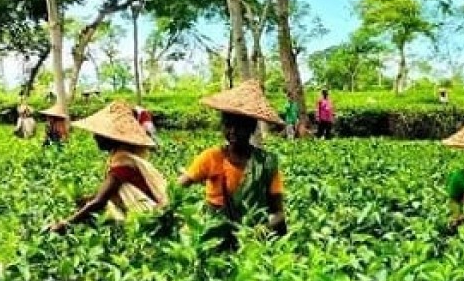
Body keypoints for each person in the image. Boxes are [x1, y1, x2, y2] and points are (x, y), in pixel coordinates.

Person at [179, 81, 286, 249]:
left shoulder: (266, 163)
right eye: (228, 125)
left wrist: (261, 231)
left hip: (253, 240)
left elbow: (278, 213)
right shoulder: (211, 157)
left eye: (240, 126)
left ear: (251, 128)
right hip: (215, 239)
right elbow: (178, 188)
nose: (233, 131)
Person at [48, 101, 169, 232]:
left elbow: (100, 202)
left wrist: (65, 224)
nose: (94, 137)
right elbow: (103, 195)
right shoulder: (121, 157)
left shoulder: (122, 164)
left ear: (112, 138)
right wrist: (86, 200)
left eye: (99, 134)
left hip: (149, 221)